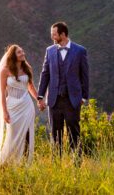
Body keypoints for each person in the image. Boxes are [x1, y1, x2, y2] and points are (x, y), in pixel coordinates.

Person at [37, 21, 89, 152]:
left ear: (63, 34)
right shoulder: (49, 51)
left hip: (72, 100)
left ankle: (76, 163)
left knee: (74, 133)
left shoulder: (80, 51)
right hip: (54, 100)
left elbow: (85, 76)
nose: (52, 37)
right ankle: (56, 164)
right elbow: (45, 74)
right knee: (55, 134)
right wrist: (40, 96)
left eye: (54, 34)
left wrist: (83, 97)